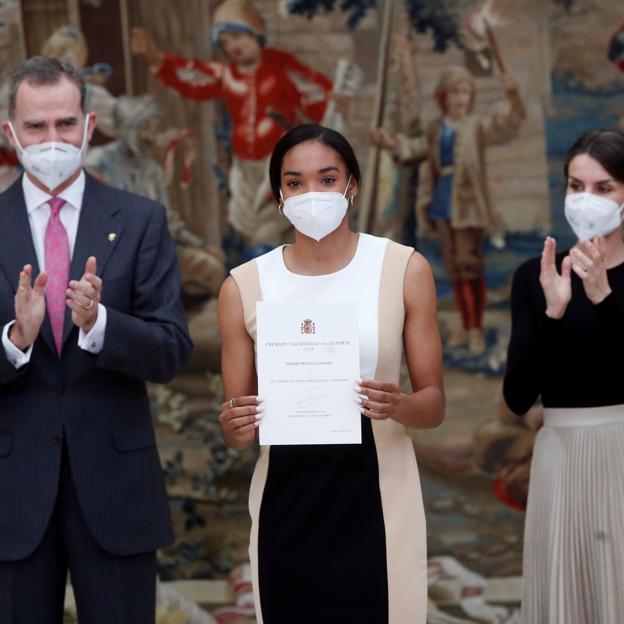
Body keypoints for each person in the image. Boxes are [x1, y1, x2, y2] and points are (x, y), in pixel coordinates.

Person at [217, 123, 445, 623]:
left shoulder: (402, 268)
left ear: (351, 185)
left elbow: (433, 405)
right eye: (295, 183)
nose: (311, 194)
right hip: (287, 498)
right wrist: (233, 425)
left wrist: (399, 404)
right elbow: (238, 428)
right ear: (279, 194)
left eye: (326, 178)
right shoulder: (244, 285)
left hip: (378, 492)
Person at [0, 56, 193, 622]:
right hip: (12, 497)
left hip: (117, 493)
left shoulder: (141, 220)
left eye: (64, 124)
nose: (51, 139)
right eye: (36, 127)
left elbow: (171, 349)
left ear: (88, 126)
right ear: (10, 133)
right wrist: (15, 338)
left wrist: (100, 325)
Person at [503, 129, 624, 623]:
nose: (586, 200)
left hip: (620, 450)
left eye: (604, 188)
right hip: (559, 454)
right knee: (566, 596)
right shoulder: (536, 277)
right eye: (576, 186)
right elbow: (517, 397)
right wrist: (554, 312)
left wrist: (605, 298)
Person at [131, 0, 333, 254]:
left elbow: (316, 92)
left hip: (278, 163)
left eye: (237, 37)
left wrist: (331, 105)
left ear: (255, 33)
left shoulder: (280, 65)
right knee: (244, 227)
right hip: (243, 168)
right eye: (225, 42)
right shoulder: (227, 74)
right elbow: (192, 76)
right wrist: (157, 60)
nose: (232, 47)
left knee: (267, 230)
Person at [372, 65, 525, 356]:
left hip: (468, 204)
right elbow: (416, 148)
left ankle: (475, 328)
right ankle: (467, 329)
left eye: (465, 92)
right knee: (454, 268)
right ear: (443, 97)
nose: (460, 98)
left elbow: (504, 125)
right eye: (455, 92)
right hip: (441, 202)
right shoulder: (436, 128)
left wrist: (512, 97)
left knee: (470, 265)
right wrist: (390, 143)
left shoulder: (477, 125)